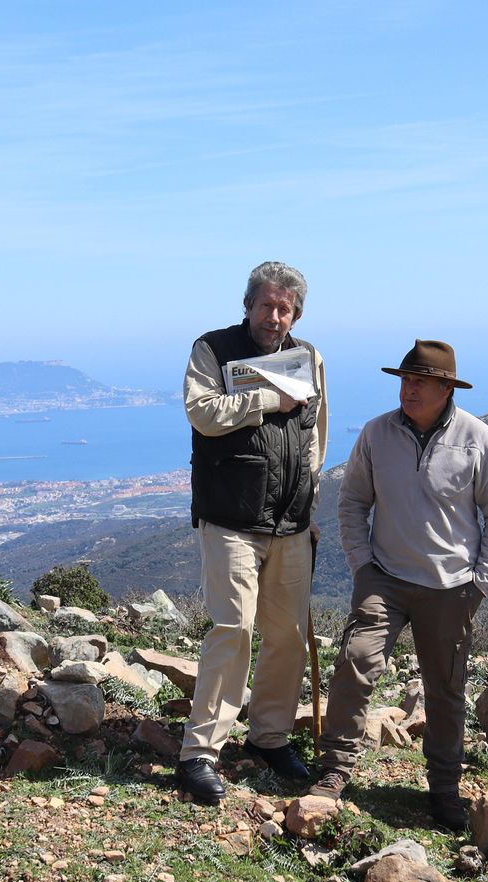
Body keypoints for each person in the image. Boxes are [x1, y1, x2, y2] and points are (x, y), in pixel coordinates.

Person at [308, 339, 488, 831]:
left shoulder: (478, 438)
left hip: (452, 587)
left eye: (420, 381)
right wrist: (362, 566)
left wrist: (480, 583)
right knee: (356, 661)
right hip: (385, 578)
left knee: (445, 690)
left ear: (446, 388)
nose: (409, 388)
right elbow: (353, 501)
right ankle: (335, 769)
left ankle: (443, 790)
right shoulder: (378, 433)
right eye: (404, 379)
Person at [175, 261, 328, 805]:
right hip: (231, 518)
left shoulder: (308, 357)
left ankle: (269, 738)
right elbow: (202, 413)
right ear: (247, 305)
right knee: (232, 629)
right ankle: (200, 752)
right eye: (265, 305)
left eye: (285, 308)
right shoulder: (213, 350)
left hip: (290, 523)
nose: (274, 316)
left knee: (285, 635)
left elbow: (315, 438)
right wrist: (267, 398)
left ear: (297, 313)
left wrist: (308, 504)